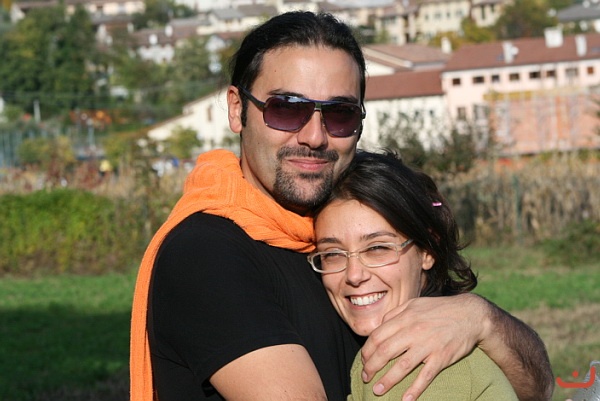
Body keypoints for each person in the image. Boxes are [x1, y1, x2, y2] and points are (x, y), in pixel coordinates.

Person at [130, 11, 554, 401]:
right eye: (286, 109)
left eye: (339, 114)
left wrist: (482, 320)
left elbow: (538, 386)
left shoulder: (352, 222)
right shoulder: (206, 252)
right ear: (237, 110)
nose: (314, 136)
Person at [310, 150, 519, 400]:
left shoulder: (407, 368)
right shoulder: (464, 348)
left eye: (377, 248)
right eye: (333, 253)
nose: (354, 275)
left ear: (427, 250)